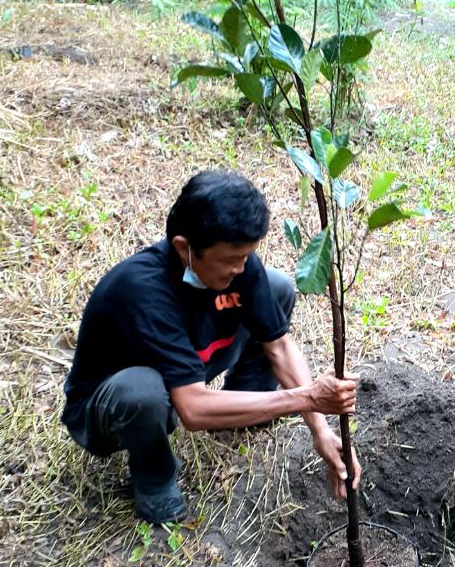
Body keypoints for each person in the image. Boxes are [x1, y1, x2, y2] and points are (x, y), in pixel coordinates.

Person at [61, 169, 360, 524]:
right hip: (111, 406)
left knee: (276, 288)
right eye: (231, 260)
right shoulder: (142, 291)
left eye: (247, 256)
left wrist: (321, 431)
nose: (242, 267)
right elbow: (193, 410)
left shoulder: (238, 265)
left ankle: (244, 402)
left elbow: (279, 346)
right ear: (184, 248)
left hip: (187, 366)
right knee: (142, 391)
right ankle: (154, 477)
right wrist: (307, 397)